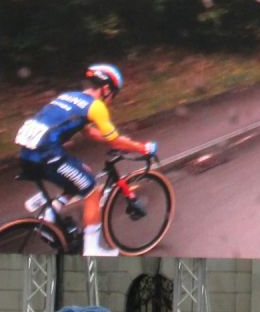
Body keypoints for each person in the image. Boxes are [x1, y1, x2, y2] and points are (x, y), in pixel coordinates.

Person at [14, 62, 156, 256]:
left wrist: (120, 141)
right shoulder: (95, 106)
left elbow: (91, 134)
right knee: (92, 191)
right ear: (106, 88)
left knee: (81, 172)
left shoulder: (69, 96)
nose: (112, 98)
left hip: (27, 155)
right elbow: (114, 141)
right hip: (47, 155)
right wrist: (143, 147)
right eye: (114, 92)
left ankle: (49, 214)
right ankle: (92, 250)